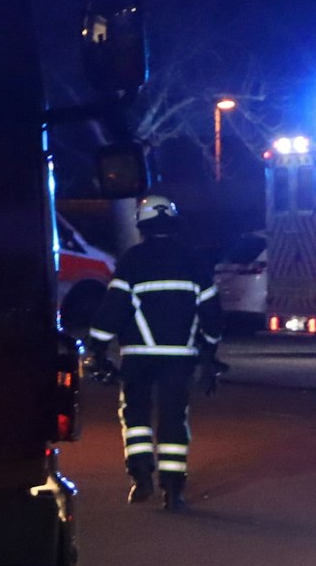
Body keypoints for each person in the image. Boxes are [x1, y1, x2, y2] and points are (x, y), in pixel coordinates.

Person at [86, 195, 225, 511]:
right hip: (180, 355)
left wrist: (97, 345)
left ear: (142, 225)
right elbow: (212, 312)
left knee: (135, 416)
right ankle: (173, 491)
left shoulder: (133, 260)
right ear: (173, 224)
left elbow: (114, 308)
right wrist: (210, 350)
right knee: (174, 418)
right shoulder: (193, 261)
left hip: (138, 354)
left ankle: (141, 479)